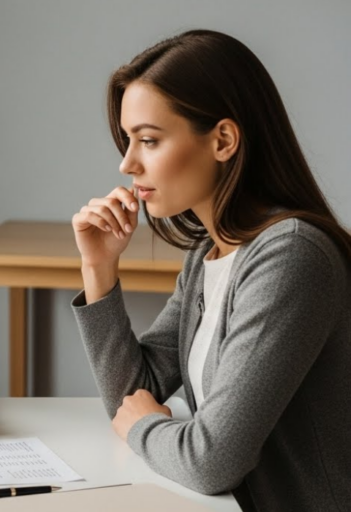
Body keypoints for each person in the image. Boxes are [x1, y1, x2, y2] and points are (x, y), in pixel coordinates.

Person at [70, 30, 351, 511]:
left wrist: (144, 426)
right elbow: (133, 394)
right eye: (128, 140)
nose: (127, 163)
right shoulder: (210, 254)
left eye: (148, 140)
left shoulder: (290, 258)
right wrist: (99, 268)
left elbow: (209, 461)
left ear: (223, 139)